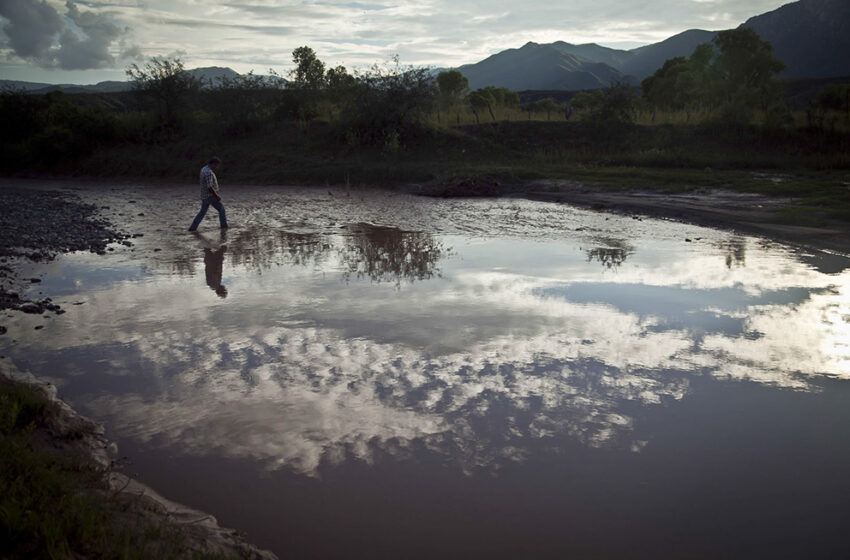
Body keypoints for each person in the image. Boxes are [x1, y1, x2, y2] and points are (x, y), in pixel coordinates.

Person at [188, 157, 228, 231]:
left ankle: (192, 228)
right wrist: (217, 195)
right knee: (221, 209)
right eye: (216, 165)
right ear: (213, 164)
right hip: (210, 196)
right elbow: (209, 186)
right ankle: (224, 227)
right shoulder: (208, 172)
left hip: (204, 195)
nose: (217, 167)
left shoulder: (203, 169)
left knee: (202, 212)